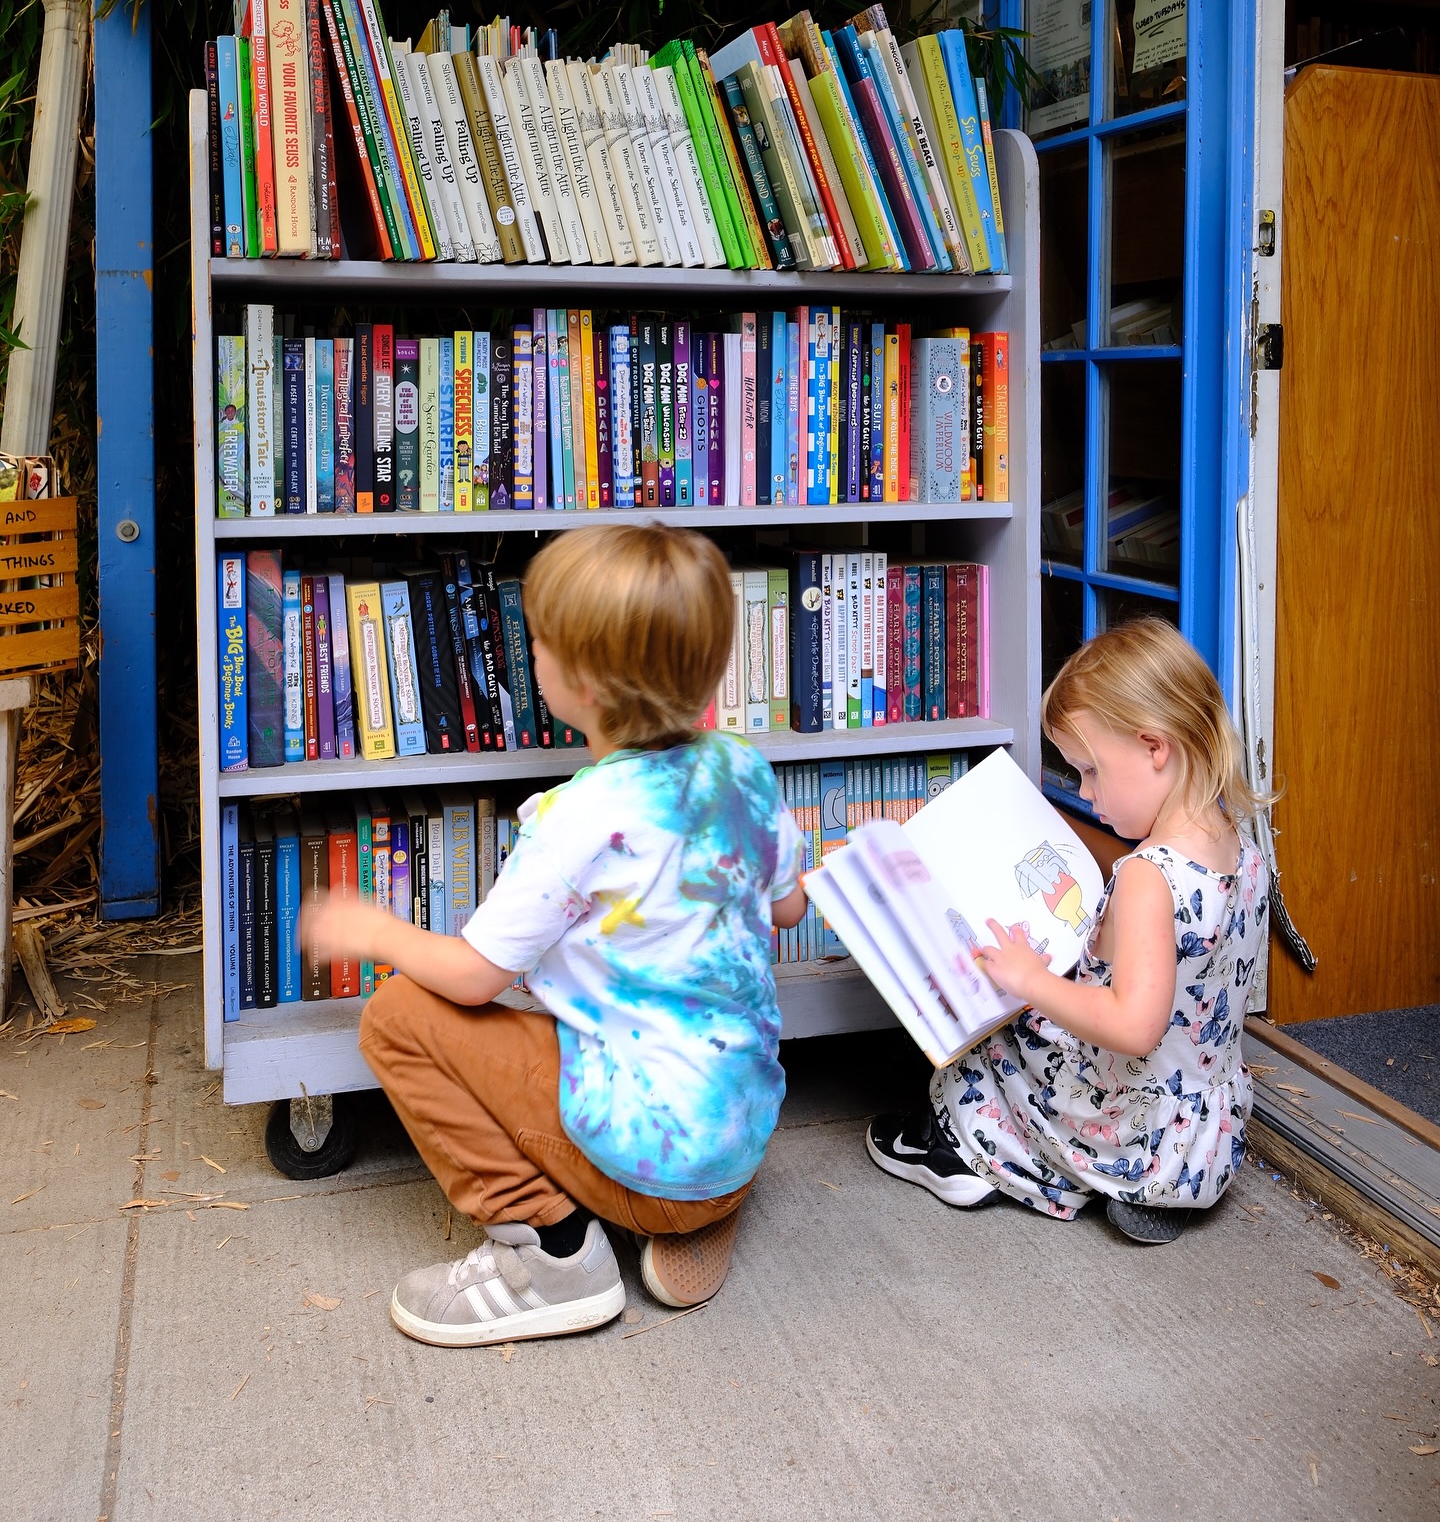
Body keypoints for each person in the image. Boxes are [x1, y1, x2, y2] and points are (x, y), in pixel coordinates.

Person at [302, 522, 807, 1344]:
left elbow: (472, 976)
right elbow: (787, 910)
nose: (530, 653)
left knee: (396, 1019)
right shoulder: (741, 769)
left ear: (583, 685)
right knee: (588, 1006)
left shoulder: (579, 820)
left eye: (537, 641)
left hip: (654, 1158)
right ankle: (693, 1210)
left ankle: (554, 1255)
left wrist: (375, 928)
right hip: (738, 1135)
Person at [865, 618, 1271, 1244]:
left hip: (1123, 1127)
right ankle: (1153, 1198)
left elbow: (1133, 1026)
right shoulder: (1236, 843)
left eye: (1090, 771)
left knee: (996, 1033)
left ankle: (969, 1154)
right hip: (1199, 1139)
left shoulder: (1147, 878)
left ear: (1154, 747)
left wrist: (1030, 980)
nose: (1085, 792)